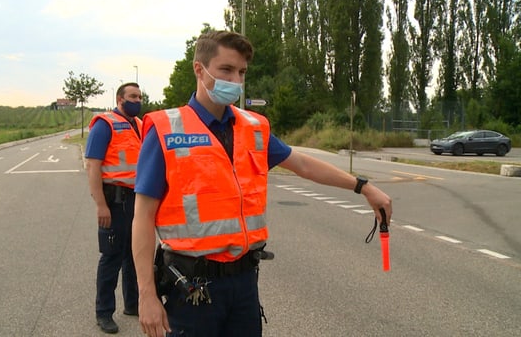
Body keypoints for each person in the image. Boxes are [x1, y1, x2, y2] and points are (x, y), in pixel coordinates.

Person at [131, 30, 393, 337]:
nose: (236, 81)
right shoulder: (165, 130)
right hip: (191, 288)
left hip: (243, 283)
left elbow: (304, 164)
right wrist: (146, 295)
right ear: (199, 70)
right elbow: (143, 218)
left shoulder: (252, 128)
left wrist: (362, 186)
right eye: (226, 70)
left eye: (241, 72)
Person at [85, 82, 143, 334]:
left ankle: (133, 304)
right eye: (133, 96)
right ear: (120, 99)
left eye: (140, 96)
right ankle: (103, 313)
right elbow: (93, 166)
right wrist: (100, 204)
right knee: (112, 258)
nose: (137, 100)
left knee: (135, 255)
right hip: (115, 201)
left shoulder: (139, 124)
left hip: (137, 200)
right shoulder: (104, 124)